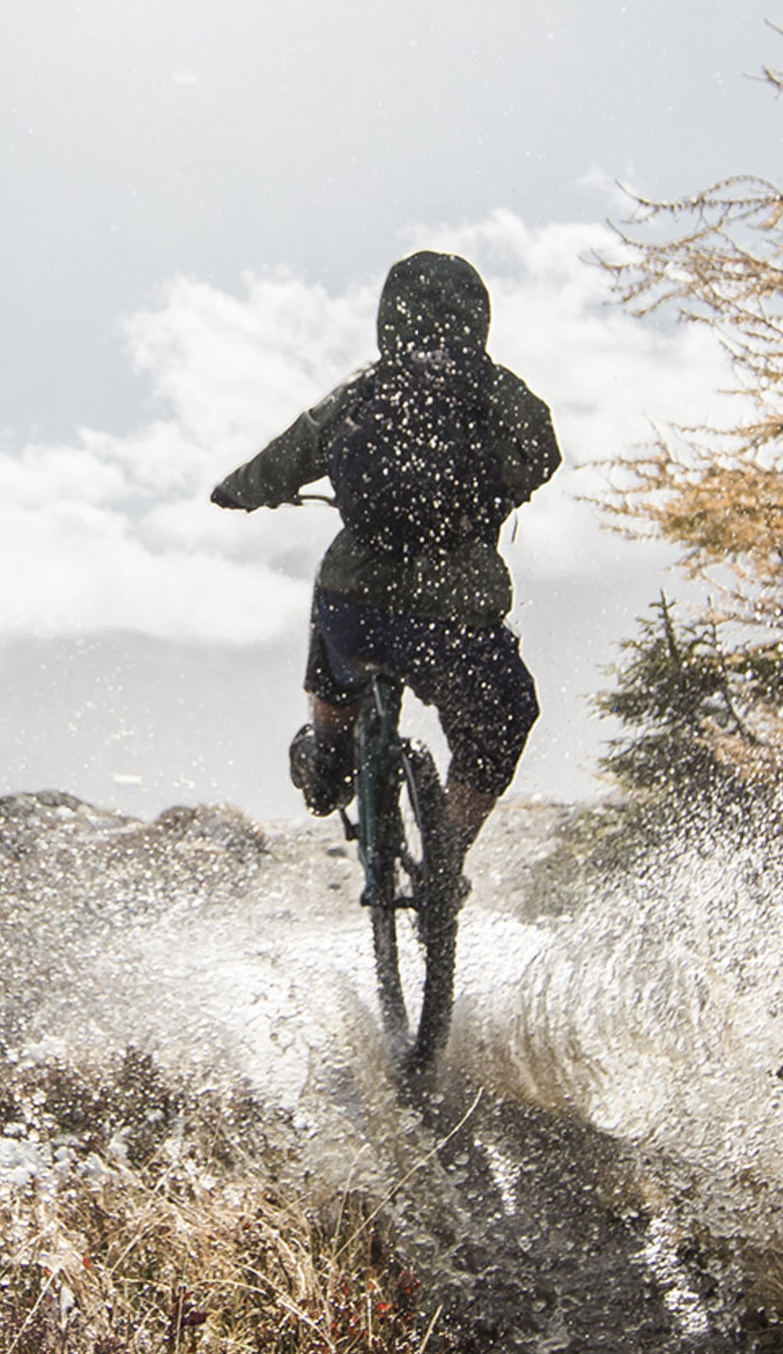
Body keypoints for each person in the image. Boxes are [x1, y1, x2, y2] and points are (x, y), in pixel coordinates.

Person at [209, 249, 560, 928]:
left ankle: (329, 750)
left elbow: (284, 457)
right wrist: (497, 488)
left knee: (335, 607)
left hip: (359, 610)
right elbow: (543, 451)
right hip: (456, 622)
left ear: (389, 317)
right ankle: (446, 859)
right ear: (477, 317)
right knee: (503, 716)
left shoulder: (367, 388)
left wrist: (236, 492)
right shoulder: (496, 390)